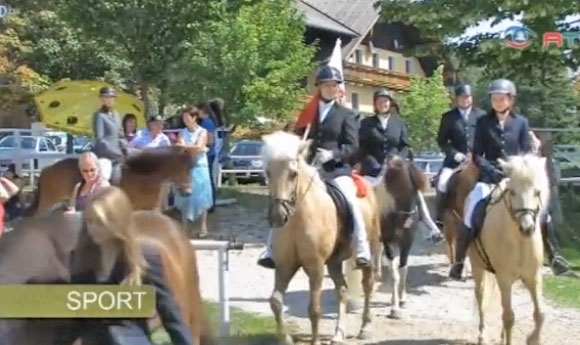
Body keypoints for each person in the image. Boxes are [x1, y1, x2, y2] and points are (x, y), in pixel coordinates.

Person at [257, 65, 371, 269]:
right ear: (319, 87)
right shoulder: (307, 114)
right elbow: (297, 139)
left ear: (338, 89)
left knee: (350, 202)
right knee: (282, 199)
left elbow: (353, 146)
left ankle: (362, 248)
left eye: (334, 85)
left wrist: (332, 154)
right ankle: (271, 249)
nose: (330, 89)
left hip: (335, 170)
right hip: (308, 169)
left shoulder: (347, 114)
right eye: (326, 85)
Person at [71, 186, 195, 345]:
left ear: (117, 222)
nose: (92, 228)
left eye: (100, 222)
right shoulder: (80, 259)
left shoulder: (145, 258)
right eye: (89, 221)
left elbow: (170, 314)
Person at [449, 78, 532, 280]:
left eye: (501, 98)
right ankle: (459, 261)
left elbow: (527, 151)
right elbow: (477, 154)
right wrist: (490, 169)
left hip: (515, 178)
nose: (497, 102)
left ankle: (553, 254)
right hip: (489, 178)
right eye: (494, 98)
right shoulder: (483, 122)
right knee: (470, 212)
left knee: (539, 211)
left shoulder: (521, 122)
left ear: (510, 100)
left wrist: (518, 169)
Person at [358, 88, 444, 245]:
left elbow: (405, 146)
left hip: (396, 170)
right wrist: (375, 165)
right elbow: (363, 148)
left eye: (385, 101)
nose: (383, 104)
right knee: (363, 196)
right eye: (379, 101)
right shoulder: (366, 123)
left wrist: (398, 159)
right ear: (375, 104)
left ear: (390, 103)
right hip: (373, 169)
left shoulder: (398, 122)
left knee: (414, 192)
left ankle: (429, 226)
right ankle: (362, 232)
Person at [434, 85, 486, 227]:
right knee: (442, 183)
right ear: (456, 99)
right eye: (462, 97)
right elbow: (442, 141)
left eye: (468, 97)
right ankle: (440, 217)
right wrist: (454, 154)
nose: (465, 100)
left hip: (477, 160)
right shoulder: (448, 117)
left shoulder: (482, 116)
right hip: (455, 161)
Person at [529, 132, 571, 275]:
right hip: (522, 193)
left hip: (539, 194)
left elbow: (548, 177)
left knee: (546, 221)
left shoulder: (543, 156)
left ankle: (555, 258)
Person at [174, 107, 213, 237]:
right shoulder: (182, 132)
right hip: (186, 167)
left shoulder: (203, 131)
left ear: (194, 117)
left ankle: (203, 226)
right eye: (184, 118)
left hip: (200, 166)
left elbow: (199, 147)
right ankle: (185, 226)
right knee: (185, 196)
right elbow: (182, 147)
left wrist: (186, 147)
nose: (185, 120)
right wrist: (191, 148)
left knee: (202, 196)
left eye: (187, 117)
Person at [91, 87, 127, 184]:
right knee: (104, 181)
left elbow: (120, 135)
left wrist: (126, 147)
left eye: (112, 97)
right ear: (102, 99)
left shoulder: (116, 115)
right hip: (104, 155)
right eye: (106, 97)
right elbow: (100, 138)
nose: (110, 100)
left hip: (118, 156)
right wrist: (116, 152)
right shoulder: (99, 115)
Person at [197, 103, 218, 213]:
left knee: (208, 179)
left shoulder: (207, 123)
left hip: (208, 154)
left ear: (202, 111)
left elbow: (210, 140)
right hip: (209, 153)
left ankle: (211, 203)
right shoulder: (207, 122)